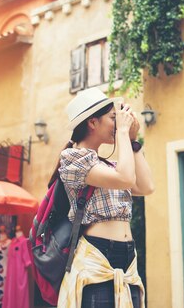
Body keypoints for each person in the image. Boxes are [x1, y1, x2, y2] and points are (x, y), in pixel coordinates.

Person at [54, 88, 155, 308]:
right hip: (96, 256)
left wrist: (133, 141)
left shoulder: (107, 166)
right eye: (113, 118)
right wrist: (123, 134)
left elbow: (146, 186)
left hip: (128, 258)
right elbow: (126, 178)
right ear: (92, 122)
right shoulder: (73, 160)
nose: (118, 123)